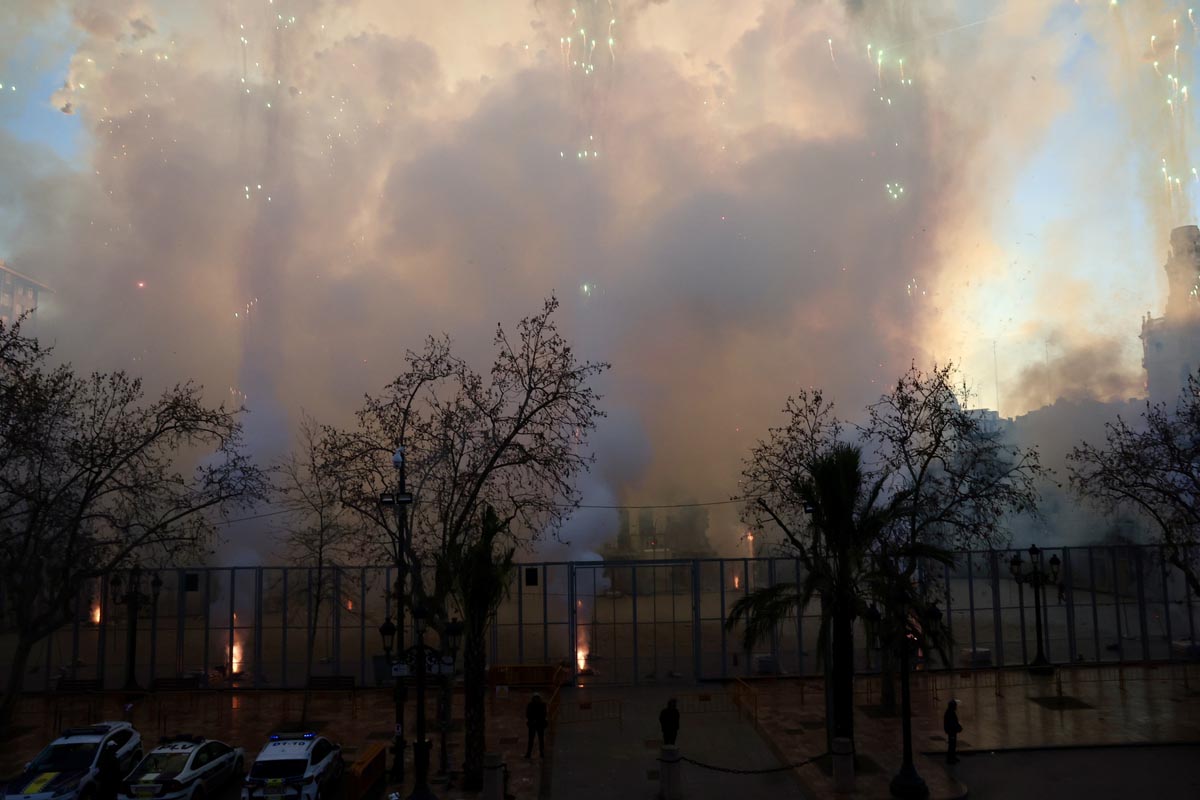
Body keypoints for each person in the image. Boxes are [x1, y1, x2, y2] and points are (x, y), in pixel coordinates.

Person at [525, 692, 547, 759]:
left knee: (535, 740)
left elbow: (528, 714)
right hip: (538, 724)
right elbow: (544, 714)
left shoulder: (531, 705)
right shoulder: (542, 705)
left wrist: (534, 719)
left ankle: (531, 753)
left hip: (535, 724)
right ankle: (540, 753)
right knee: (538, 740)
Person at [944, 699, 963, 764]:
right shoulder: (950, 713)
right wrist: (957, 727)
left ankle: (953, 757)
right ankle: (950, 758)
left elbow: (954, 722)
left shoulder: (950, 712)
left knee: (953, 744)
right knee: (952, 745)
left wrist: (958, 727)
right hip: (951, 731)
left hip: (952, 731)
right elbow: (952, 723)